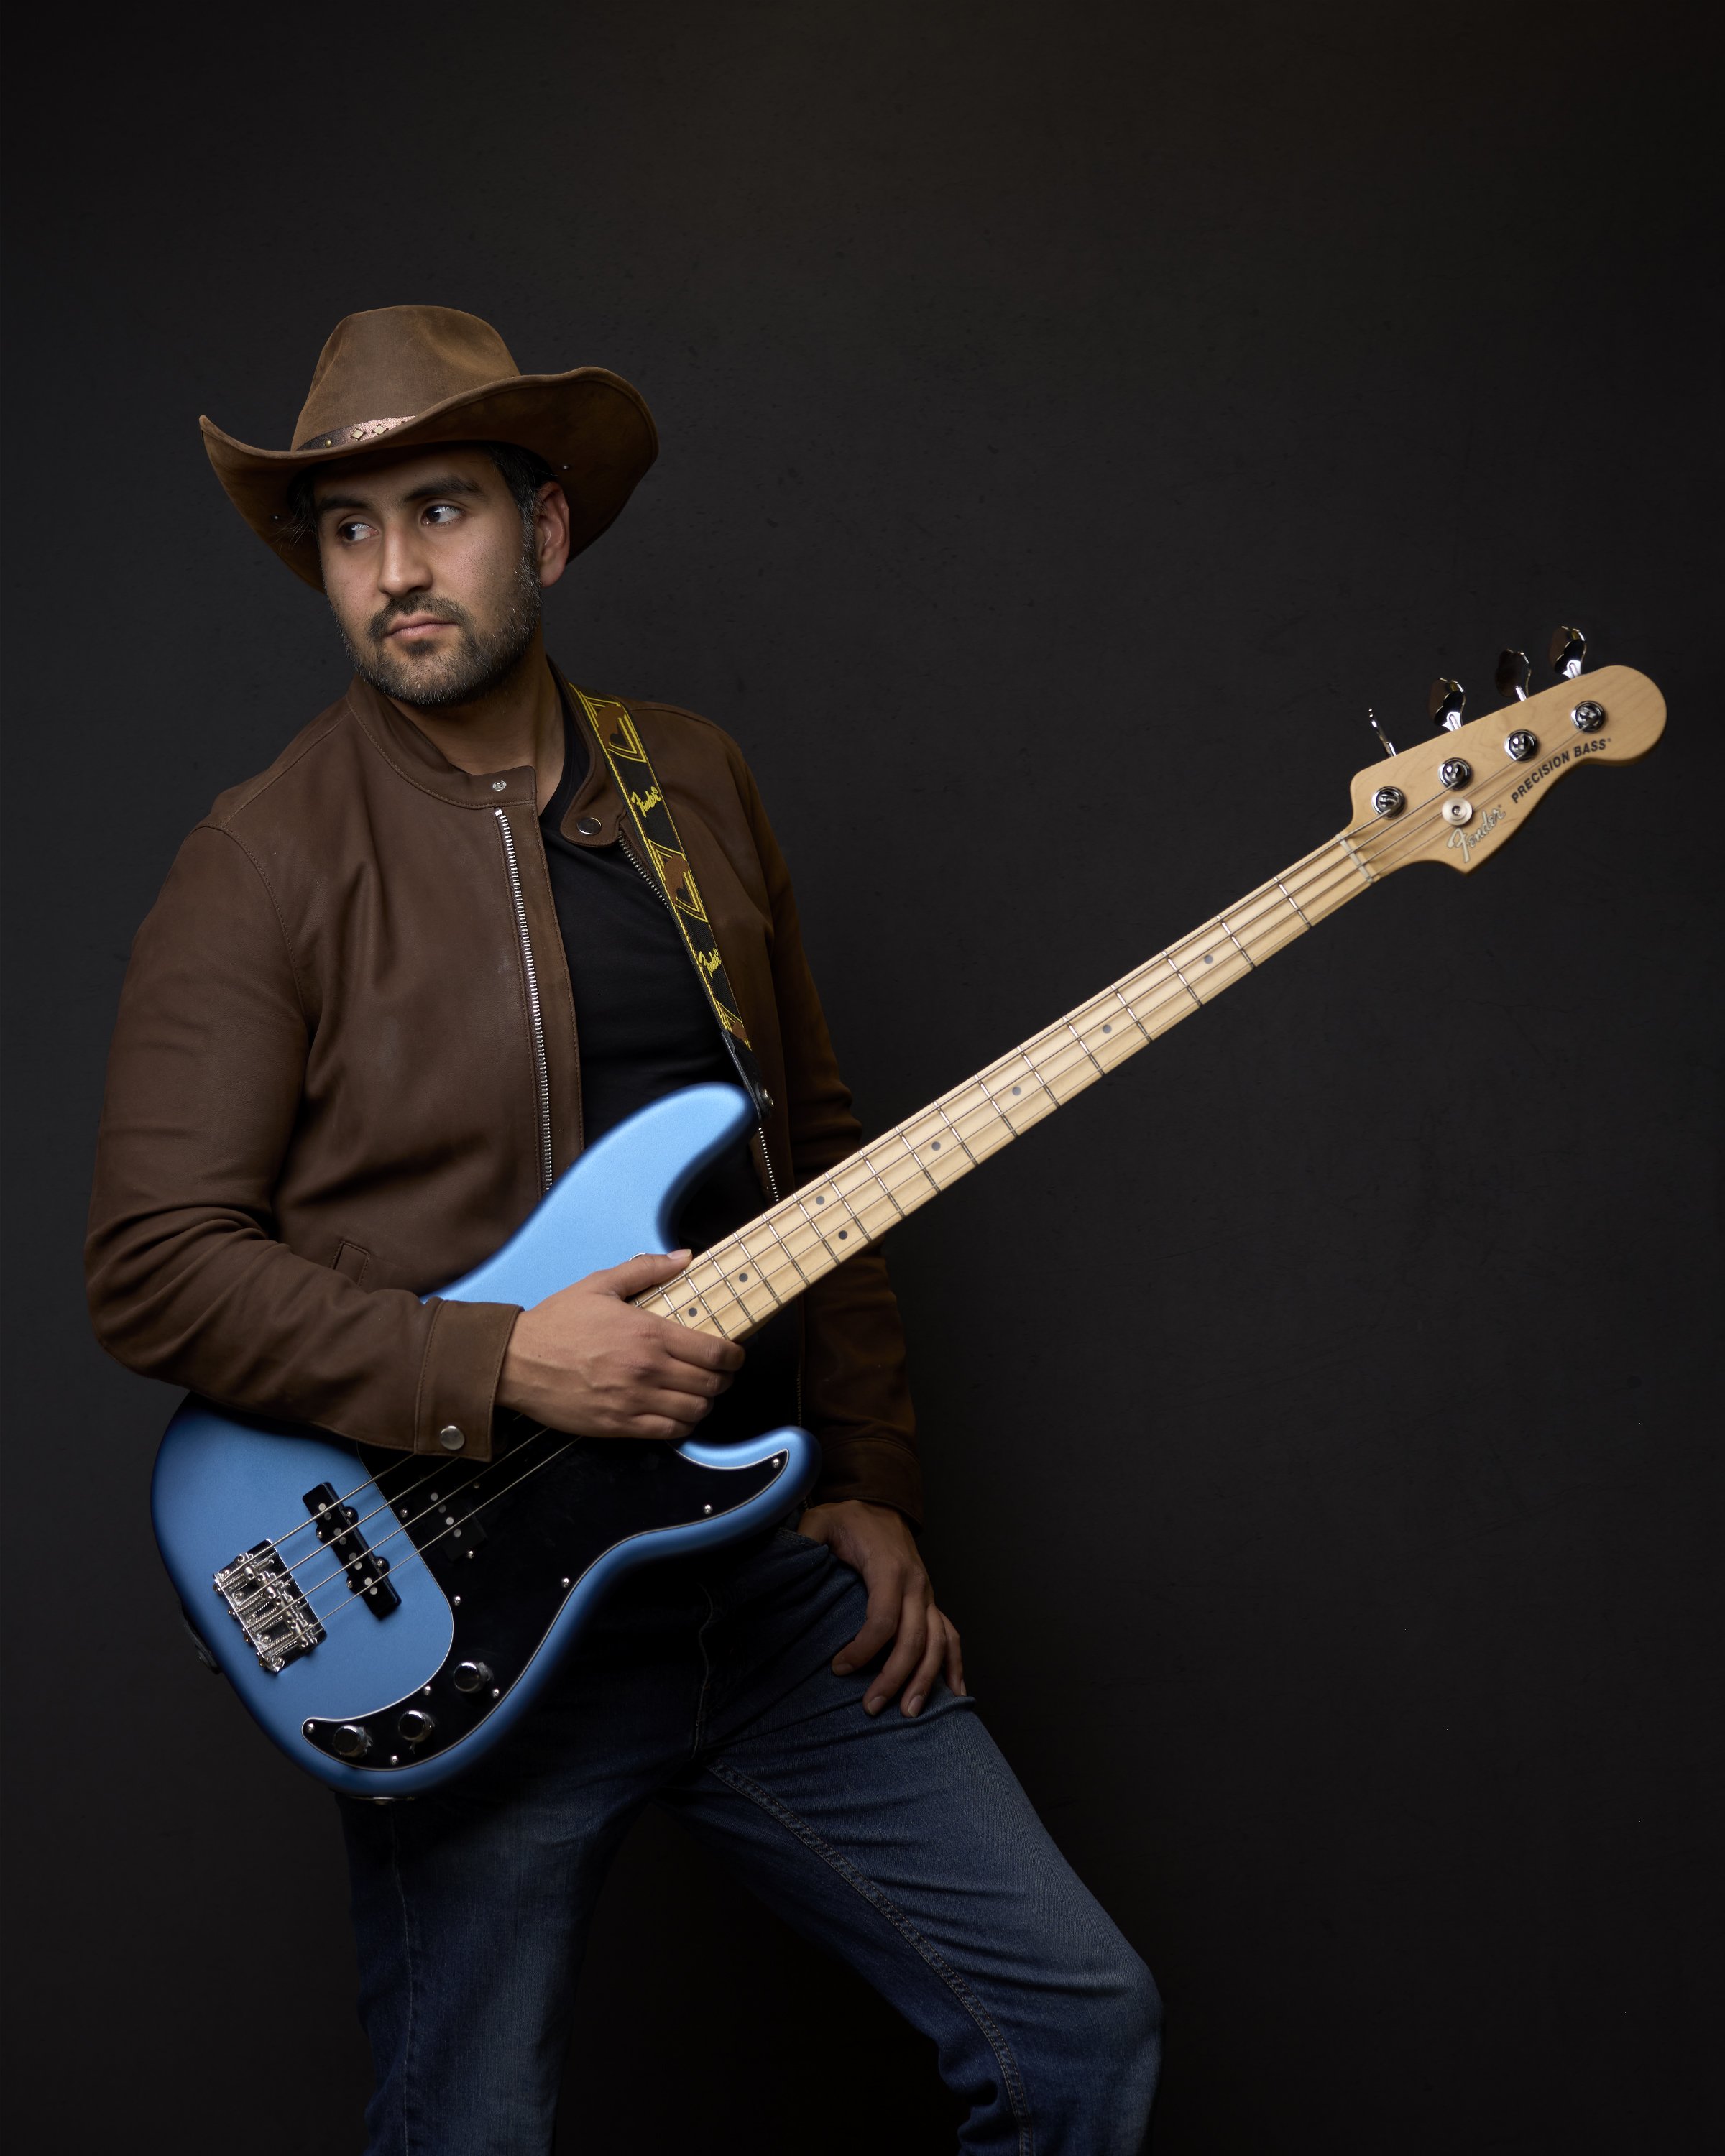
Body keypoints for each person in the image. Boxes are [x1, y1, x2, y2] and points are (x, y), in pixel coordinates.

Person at [86, 305, 1160, 2154]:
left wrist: (874, 1475)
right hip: (461, 1606)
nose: (398, 572)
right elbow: (153, 1262)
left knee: (1079, 2030)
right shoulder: (261, 858)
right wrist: (502, 1360)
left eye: (443, 512)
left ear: (548, 531)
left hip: (754, 1581)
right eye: (351, 531)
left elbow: (823, 1152)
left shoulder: (697, 787)